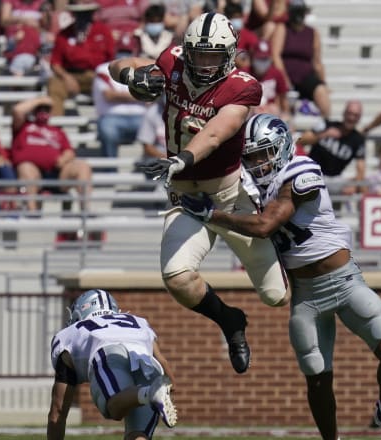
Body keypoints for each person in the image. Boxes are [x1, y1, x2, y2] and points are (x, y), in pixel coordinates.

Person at [179, 114, 381, 440]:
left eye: (264, 153)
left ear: (282, 146)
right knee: (317, 378)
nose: (259, 163)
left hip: (344, 280)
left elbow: (266, 225)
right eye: (252, 157)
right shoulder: (250, 185)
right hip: (306, 293)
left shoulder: (302, 169)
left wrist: (212, 214)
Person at [109, 12, 290, 375]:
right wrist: (133, 76)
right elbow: (117, 66)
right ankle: (229, 320)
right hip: (186, 200)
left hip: (228, 196)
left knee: (277, 296)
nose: (205, 64)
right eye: (200, 55)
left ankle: (300, 260)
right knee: (177, 278)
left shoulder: (242, 86)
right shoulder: (172, 61)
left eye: (213, 56)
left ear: (230, 55)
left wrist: (182, 158)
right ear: (188, 50)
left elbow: (216, 133)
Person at [47, 289, 177, 440]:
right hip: (147, 362)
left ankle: (149, 393)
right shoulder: (138, 322)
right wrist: (170, 385)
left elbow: (58, 411)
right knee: (138, 435)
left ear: (78, 314)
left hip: (109, 352)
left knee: (113, 409)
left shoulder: (69, 334)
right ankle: (151, 393)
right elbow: (161, 360)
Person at [10, 95, 92, 213]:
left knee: (83, 166)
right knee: (26, 168)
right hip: (33, 173)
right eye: (40, 108)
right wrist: (40, 100)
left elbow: (69, 151)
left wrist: (64, 158)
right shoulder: (23, 127)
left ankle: (85, 212)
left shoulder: (57, 131)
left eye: (46, 109)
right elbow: (18, 110)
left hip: (57, 173)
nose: (43, 112)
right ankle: (31, 212)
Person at [48, 1, 115, 116]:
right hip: (70, 74)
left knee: (108, 86)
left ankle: (108, 118)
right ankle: (55, 125)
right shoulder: (64, 34)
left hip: (95, 74)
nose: (82, 17)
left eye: (86, 14)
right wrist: (66, 77)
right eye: (79, 14)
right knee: (54, 85)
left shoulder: (103, 31)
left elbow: (111, 59)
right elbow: (55, 63)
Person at [271, 0, 331, 119]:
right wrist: (285, 80)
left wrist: (323, 83)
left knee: (322, 92)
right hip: (286, 77)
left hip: (306, 77)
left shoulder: (312, 33)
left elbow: (317, 61)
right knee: (284, 99)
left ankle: (325, 125)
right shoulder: (282, 28)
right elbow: (275, 55)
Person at [297, 100, 365, 194]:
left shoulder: (358, 140)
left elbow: (361, 168)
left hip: (333, 180)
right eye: (349, 113)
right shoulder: (326, 124)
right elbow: (301, 141)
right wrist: (324, 134)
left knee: (354, 187)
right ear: (344, 113)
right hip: (310, 173)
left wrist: (355, 185)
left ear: (359, 118)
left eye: (355, 115)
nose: (351, 118)